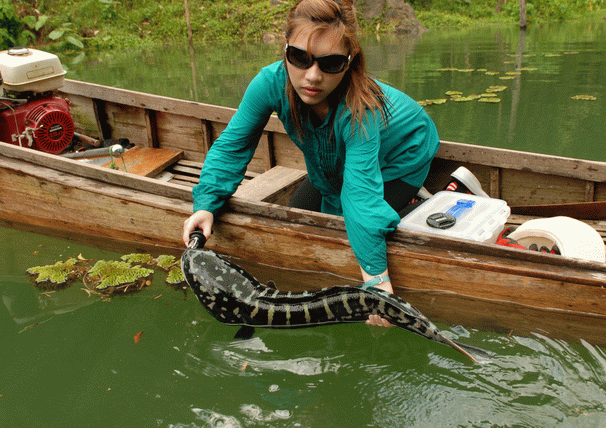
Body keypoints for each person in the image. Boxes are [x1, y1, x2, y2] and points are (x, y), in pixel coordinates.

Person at [182, 0, 440, 327]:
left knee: (350, 221)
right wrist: (205, 205)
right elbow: (234, 145)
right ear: (285, 50)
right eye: (300, 58)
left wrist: (377, 284)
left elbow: (359, 195)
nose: (312, 76)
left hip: (405, 149)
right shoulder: (270, 83)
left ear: (349, 63)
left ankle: (415, 202)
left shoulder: (362, 109)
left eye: (330, 63)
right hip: (335, 161)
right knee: (299, 217)